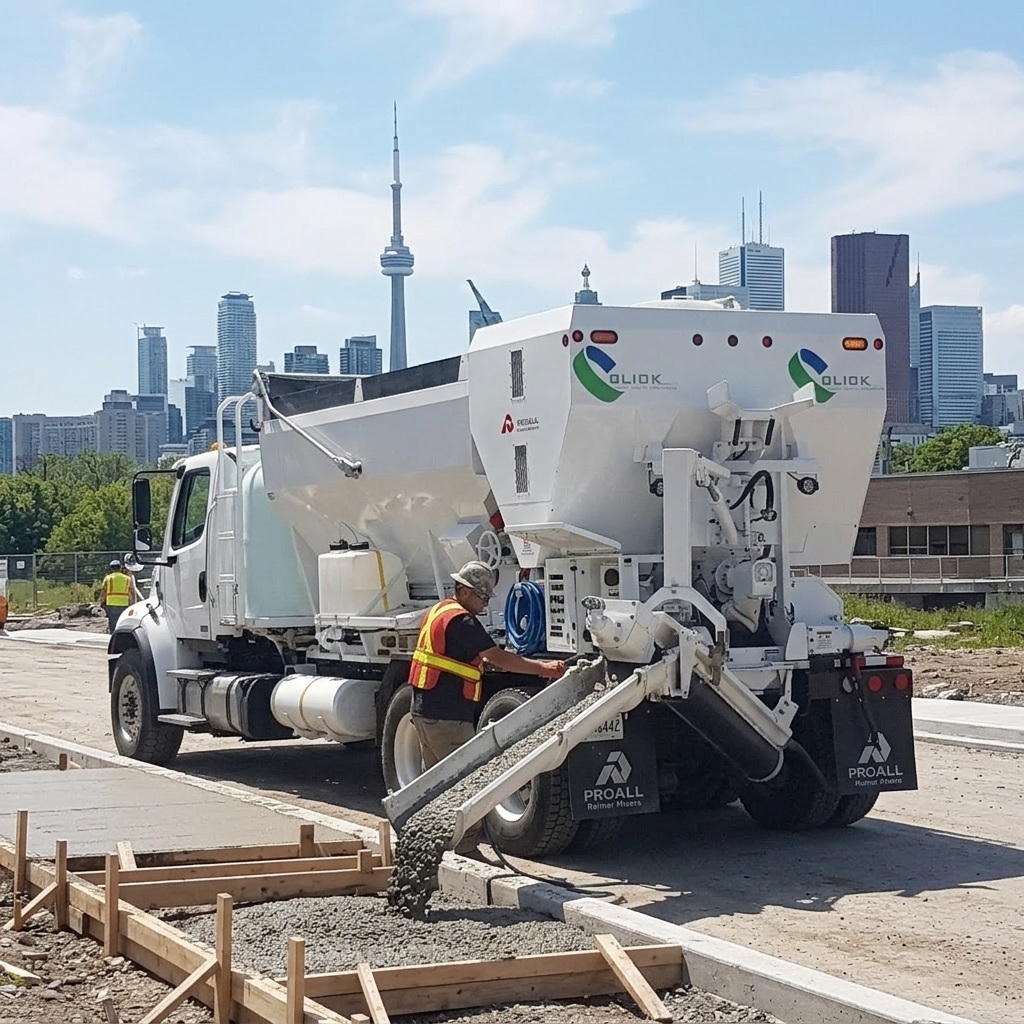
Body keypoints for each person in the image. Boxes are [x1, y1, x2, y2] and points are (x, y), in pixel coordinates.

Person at [408, 560, 566, 853]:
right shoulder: (462, 621)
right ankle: (467, 849)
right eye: (481, 597)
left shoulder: (439, 611)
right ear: (464, 591)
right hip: (447, 717)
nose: (483, 603)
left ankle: (433, 845)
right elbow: (497, 657)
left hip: (424, 711)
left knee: (439, 786)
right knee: (469, 783)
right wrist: (543, 667)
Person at [98, 559, 140, 633]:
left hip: (111, 604)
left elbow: (103, 592)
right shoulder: (127, 578)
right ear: (120, 567)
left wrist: (101, 602)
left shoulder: (108, 578)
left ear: (111, 568)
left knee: (112, 622)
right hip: (124, 604)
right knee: (122, 622)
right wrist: (133, 603)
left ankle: (112, 636)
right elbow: (131, 592)